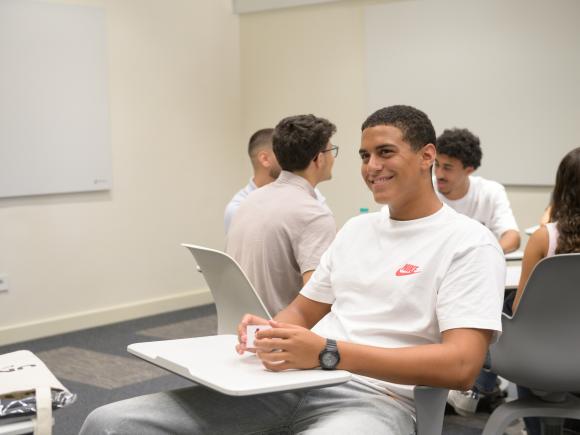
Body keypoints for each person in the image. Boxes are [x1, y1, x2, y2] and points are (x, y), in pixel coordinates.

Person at [80, 105, 505, 435]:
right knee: (111, 421)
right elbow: (303, 312)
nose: (371, 166)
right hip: (289, 385)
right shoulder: (357, 229)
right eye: (363, 155)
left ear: (427, 156)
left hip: (378, 400)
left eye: (385, 152)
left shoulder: (468, 243)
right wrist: (272, 331)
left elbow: (462, 365)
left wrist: (328, 353)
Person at [226, 115, 337, 315]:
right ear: (319, 159)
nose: (333, 158)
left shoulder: (248, 201)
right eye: (331, 151)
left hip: (243, 330)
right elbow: (318, 300)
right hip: (282, 336)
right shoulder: (313, 214)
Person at [223, 128, 328, 233]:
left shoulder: (308, 191)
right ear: (265, 159)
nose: (292, 159)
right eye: (282, 153)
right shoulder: (239, 209)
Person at [434, 128, 521, 253]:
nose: (439, 174)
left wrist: (483, 255)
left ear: (469, 170)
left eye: (447, 168)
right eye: (436, 164)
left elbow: (513, 237)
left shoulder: (491, 192)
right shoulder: (423, 189)